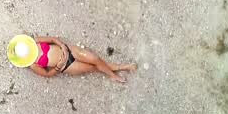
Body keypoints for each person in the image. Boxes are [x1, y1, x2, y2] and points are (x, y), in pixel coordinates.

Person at [8, 34, 137, 83]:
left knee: (96, 59)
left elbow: (52, 39)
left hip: (69, 50)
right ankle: (121, 68)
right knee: (93, 67)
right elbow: (47, 74)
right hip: (66, 66)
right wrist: (58, 66)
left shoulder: (34, 42)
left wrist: (62, 46)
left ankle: (117, 72)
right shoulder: (33, 65)